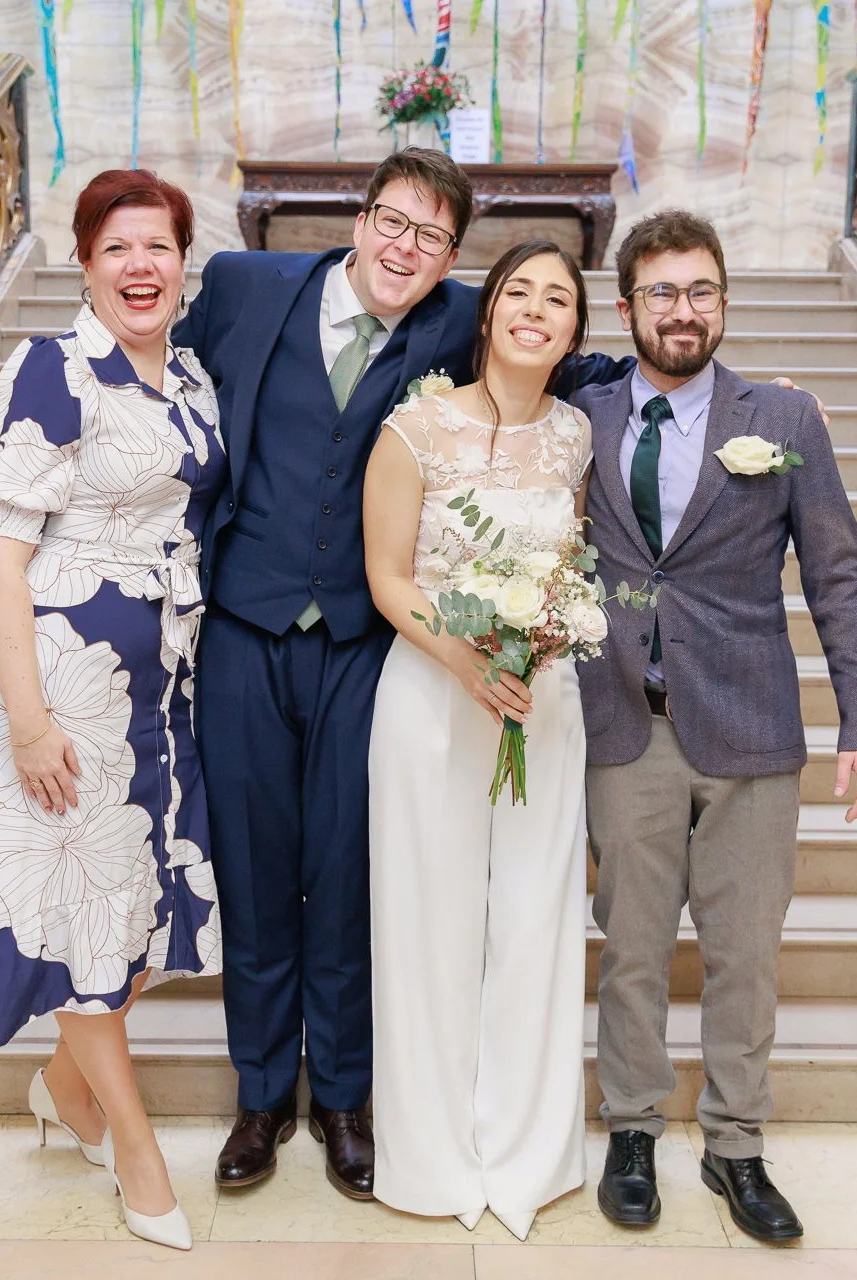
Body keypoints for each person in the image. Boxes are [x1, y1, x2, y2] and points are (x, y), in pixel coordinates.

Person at [175, 149, 631, 1200]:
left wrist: (704, 385)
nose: (404, 249)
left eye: (431, 237)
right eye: (392, 222)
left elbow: (572, 365)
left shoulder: (455, 319)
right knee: (254, 863)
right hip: (244, 625)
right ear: (359, 215)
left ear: (453, 258)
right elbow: (165, 369)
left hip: (358, 644)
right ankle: (259, 1092)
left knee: (343, 870)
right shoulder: (248, 287)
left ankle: (342, 1093)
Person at [577, 211, 857, 1243]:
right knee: (629, 947)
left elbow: (838, 573)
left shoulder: (786, 420)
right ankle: (631, 1126)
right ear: (626, 308)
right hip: (626, 724)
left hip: (752, 724)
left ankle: (735, 1145)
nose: (684, 309)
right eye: (662, 292)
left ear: (724, 300)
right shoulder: (578, 418)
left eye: (702, 289)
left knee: (745, 953)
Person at [0, 168, 225, 1252]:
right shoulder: (52, 370)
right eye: (117, 249)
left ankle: (64, 1083)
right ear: (86, 264)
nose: (140, 267)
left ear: (182, 264)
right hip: (62, 679)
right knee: (85, 905)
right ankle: (133, 1148)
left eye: (157, 247)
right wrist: (26, 721)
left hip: (161, 679)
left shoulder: (189, 376)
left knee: (136, 913)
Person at [363, 242, 597, 1239]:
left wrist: (539, 638)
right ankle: (432, 1149)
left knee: (538, 921)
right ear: (488, 310)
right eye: (518, 293)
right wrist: (461, 656)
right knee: (429, 922)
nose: (535, 311)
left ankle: (528, 1147)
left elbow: (569, 563)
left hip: (542, 700)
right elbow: (387, 575)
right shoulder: (413, 426)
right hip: (429, 699)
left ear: (577, 330)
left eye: (559, 299)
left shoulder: (578, 436)